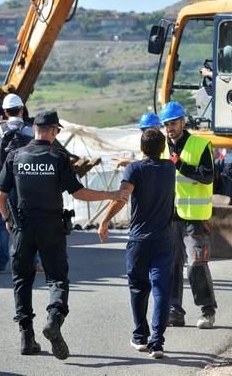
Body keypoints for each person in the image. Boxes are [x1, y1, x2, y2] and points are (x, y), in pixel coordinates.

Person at [0, 109, 128, 359]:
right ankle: (53, 321)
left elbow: (0, 197)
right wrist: (110, 195)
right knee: (57, 278)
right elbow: (77, 193)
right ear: (54, 131)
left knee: (22, 280)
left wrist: (7, 220)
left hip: (22, 227)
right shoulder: (57, 157)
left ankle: (26, 337)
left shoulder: (14, 156)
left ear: (34, 128)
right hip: (51, 227)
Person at [98, 128, 175, 359]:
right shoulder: (170, 167)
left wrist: (104, 220)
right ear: (162, 148)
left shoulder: (134, 170)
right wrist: (131, 162)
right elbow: (152, 165)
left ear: (142, 148)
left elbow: (123, 197)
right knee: (161, 290)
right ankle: (157, 343)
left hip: (139, 240)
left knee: (139, 289)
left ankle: (140, 337)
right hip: (164, 240)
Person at [160, 101, 217, 329]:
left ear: (183, 122)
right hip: (170, 216)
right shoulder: (162, 146)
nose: (169, 128)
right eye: (166, 124)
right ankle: (175, 311)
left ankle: (207, 310)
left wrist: (180, 165)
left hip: (194, 216)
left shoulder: (200, 145)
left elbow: (207, 177)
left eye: (173, 123)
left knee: (196, 264)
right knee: (172, 264)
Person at [0, 93, 33, 273]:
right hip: (26, 181)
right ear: (22, 109)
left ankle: (1, 263)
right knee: (31, 221)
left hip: (4, 180)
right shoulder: (31, 130)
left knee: (4, 222)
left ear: (5, 111)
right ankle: (33, 261)